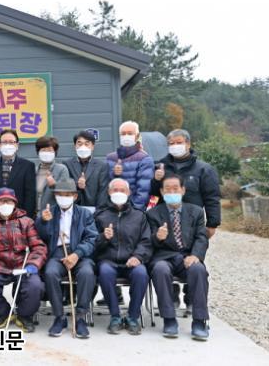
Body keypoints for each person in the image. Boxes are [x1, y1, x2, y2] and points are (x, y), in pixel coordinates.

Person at [0, 188, 47, 332]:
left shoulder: (26, 221)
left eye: (9, 201)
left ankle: (24, 315)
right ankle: (4, 313)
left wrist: (33, 264)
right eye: (1, 201)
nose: (5, 204)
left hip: (23, 265)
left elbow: (38, 246)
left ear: (14, 203)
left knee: (36, 286)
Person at [147, 174, 210, 340]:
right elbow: (148, 242)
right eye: (167, 189)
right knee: (160, 270)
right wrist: (157, 237)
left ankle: (199, 321)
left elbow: (201, 237)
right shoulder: (153, 213)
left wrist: (195, 255)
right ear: (162, 192)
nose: (172, 192)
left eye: (175, 188)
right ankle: (169, 319)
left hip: (187, 256)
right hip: (163, 257)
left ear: (183, 190)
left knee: (198, 269)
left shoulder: (196, 211)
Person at [36, 178, 98, 338]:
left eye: (67, 194)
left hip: (80, 254)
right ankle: (59, 317)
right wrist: (43, 222)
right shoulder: (49, 212)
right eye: (59, 194)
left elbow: (91, 239)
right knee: (50, 273)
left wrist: (77, 254)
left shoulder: (85, 214)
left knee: (87, 273)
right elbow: (40, 237)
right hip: (57, 253)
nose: (63, 198)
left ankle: (80, 317)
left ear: (75, 196)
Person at [94, 178, 152, 335]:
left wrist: (138, 257)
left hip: (132, 261)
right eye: (115, 190)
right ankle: (115, 316)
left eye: (122, 190)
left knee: (141, 273)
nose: (118, 193)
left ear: (129, 193)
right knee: (105, 272)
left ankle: (133, 317)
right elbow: (92, 242)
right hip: (108, 260)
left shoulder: (139, 216)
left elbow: (146, 241)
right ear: (109, 192)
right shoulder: (100, 215)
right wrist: (103, 237)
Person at [150, 129, 221, 239]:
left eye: (179, 142)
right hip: (164, 221)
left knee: (194, 249)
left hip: (192, 221)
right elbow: (153, 195)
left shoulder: (204, 169)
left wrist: (212, 224)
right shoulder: (160, 167)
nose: (175, 146)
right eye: (171, 143)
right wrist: (156, 180)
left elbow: (212, 198)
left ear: (188, 144)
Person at [0, 129, 36, 219]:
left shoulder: (28, 166)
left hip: (18, 217)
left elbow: (30, 196)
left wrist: (26, 218)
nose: (8, 145)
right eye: (4, 142)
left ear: (17, 145)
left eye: (11, 142)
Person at [105, 121, 154, 211]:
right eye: (123, 134)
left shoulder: (144, 159)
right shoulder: (110, 158)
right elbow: (105, 185)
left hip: (133, 209)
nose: (126, 136)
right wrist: (114, 174)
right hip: (112, 208)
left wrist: (135, 210)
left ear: (137, 136)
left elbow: (144, 190)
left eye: (130, 133)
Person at [63, 130, 110, 210]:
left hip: (95, 209)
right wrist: (77, 185)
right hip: (73, 209)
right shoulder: (67, 164)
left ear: (92, 147)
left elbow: (103, 192)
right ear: (75, 146)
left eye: (86, 144)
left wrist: (98, 211)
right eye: (79, 144)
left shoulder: (102, 166)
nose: (83, 147)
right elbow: (65, 187)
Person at [35, 136, 69, 211]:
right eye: (43, 150)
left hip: (53, 213)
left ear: (55, 152)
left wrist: (54, 185)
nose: (46, 153)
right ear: (38, 152)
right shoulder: (34, 170)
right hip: (34, 214)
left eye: (50, 150)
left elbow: (66, 193)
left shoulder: (62, 169)